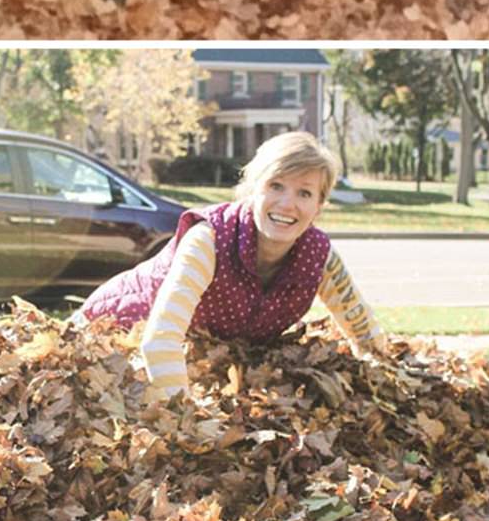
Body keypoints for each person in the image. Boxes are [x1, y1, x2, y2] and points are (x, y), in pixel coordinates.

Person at [78, 131, 387, 398]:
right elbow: (160, 342)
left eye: (304, 192)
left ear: (318, 206)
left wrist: (389, 377)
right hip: (114, 335)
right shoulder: (209, 240)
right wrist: (185, 424)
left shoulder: (318, 257)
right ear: (253, 190)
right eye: (276, 186)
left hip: (189, 353)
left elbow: (363, 331)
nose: (287, 203)